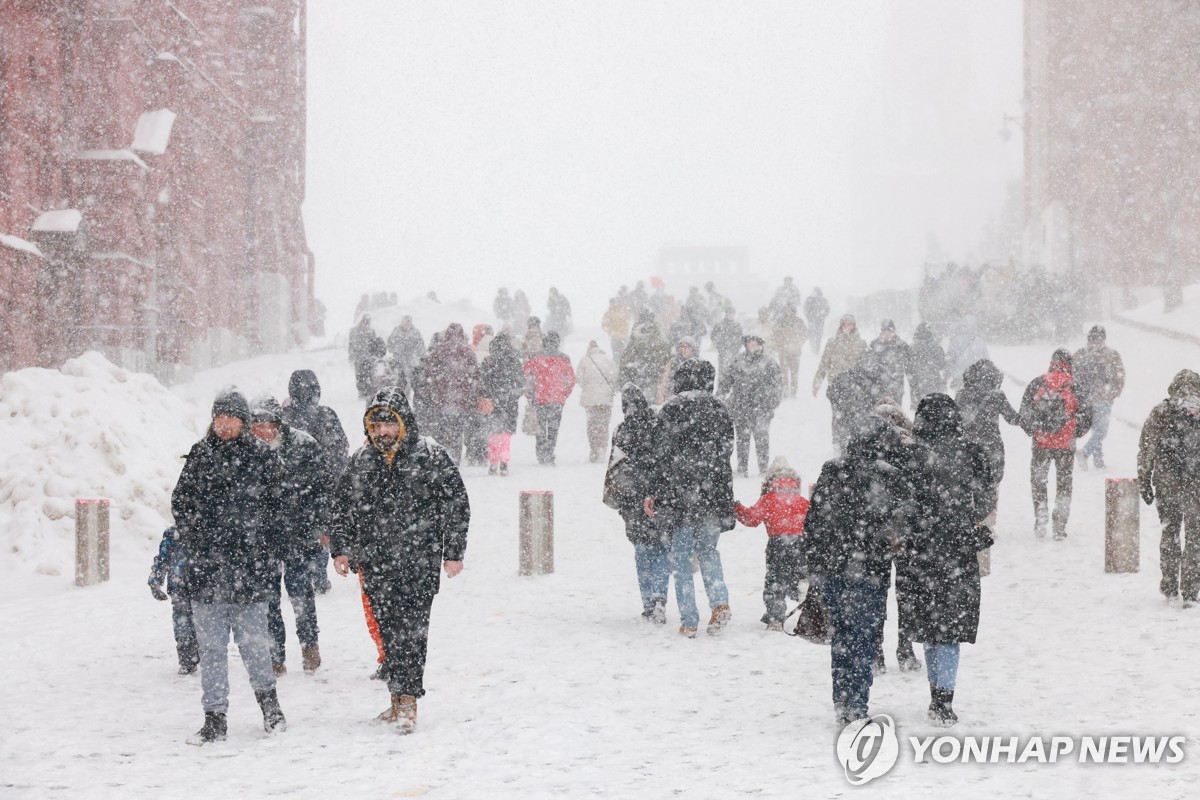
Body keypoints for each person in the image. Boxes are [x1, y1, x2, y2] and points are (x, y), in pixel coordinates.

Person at [330, 388, 470, 733]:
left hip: (418, 562)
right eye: (376, 425)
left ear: (402, 423)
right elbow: (342, 508)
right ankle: (397, 699)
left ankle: (408, 700)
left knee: (412, 632)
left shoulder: (431, 456)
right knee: (389, 634)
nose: (383, 432)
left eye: (389, 424)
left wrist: (453, 552)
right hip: (376, 563)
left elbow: (456, 505)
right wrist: (342, 549)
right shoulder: (361, 460)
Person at [171, 390, 286, 744]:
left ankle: (271, 709)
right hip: (206, 574)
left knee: (254, 646)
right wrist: (200, 540)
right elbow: (181, 504)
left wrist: (260, 547)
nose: (224, 424)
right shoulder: (200, 456)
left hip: (250, 574)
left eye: (232, 418)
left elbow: (278, 512)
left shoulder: (263, 460)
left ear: (244, 422)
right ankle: (214, 717)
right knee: (212, 650)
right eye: (219, 417)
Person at [804, 415, 916, 724]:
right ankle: (857, 701)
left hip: (834, 567)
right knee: (864, 637)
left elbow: (814, 521)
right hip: (871, 569)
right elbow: (900, 525)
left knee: (842, 634)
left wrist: (813, 562)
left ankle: (842, 698)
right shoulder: (890, 477)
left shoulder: (832, 469)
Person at [903, 394, 993, 726]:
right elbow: (984, 502)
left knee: (930, 627)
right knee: (950, 629)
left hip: (920, 554)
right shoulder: (972, 453)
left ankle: (935, 693)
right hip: (958, 551)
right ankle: (944, 697)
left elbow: (899, 506)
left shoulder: (910, 457)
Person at [645, 360, 735, 637]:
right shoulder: (720, 408)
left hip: (680, 494)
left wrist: (654, 491)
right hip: (712, 492)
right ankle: (719, 602)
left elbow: (660, 455)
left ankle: (689, 619)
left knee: (681, 557)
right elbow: (726, 454)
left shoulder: (672, 408)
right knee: (708, 551)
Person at [251, 397, 332, 676]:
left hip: (299, 534)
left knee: (301, 596)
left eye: (267, 424)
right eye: (256, 424)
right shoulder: (246, 452)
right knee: (268, 601)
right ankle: (275, 656)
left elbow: (322, 488)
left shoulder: (304, 445)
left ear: (278, 423)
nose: (262, 430)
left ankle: (310, 647)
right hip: (263, 540)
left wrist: (322, 526)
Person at [604, 384, 669, 623]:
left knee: (642, 552)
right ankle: (660, 595)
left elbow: (615, 470)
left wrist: (620, 499)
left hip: (632, 500)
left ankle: (648, 602)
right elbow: (665, 462)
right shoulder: (657, 425)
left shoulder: (622, 431)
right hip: (658, 498)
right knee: (661, 548)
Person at [283, 369, 350, 595]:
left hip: (293, 486)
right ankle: (319, 574)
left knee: (297, 529)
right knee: (321, 527)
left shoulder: (285, 417)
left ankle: (299, 572)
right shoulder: (327, 415)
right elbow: (340, 448)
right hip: (324, 482)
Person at [1138, 370, 1200, 605]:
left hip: (1167, 482)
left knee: (1170, 533)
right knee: (1196, 537)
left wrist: (1144, 479)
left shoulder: (1163, 410)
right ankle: (1191, 590)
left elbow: (1146, 448)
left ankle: (1170, 585)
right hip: (1197, 483)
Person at [1018, 349, 1093, 539]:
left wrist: (1034, 431)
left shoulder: (1038, 382)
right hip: (1065, 444)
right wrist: (1074, 432)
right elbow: (1087, 414)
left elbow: (1024, 412)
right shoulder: (1075, 385)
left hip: (1041, 443)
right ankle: (1059, 524)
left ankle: (1041, 515)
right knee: (1064, 484)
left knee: (1038, 481)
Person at [734, 456, 809, 631]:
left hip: (778, 544)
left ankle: (775, 617)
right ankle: (802, 594)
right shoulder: (802, 501)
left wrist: (736, 508)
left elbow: (751, 519)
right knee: (798, 575)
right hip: (801, 543)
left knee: (775, 580)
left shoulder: (769, 498)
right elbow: (816, 522)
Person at [955, 360, 1021, 525]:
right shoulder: (996, 395)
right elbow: (1013, 419)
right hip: (992, 448)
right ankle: (988, 523)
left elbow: (955, 421)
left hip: (967, 449)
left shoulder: (961, 394)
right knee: (991, 486)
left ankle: (970, 520)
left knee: (969, 485)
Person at [724, 335, 783, 477]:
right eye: (749, 343)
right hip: (741, 405)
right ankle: (742, 468)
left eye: (755, 343)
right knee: (742, 438)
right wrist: (721, 395)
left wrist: (774, 399)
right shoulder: (738, 360)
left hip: (762, 406)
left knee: (761, 437)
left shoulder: (769, 362)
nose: (751, 345)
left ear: (760, 344)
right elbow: (727, 379)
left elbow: (777, 382)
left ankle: (763, 468)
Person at [423, 323, 481, 465]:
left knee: (440, 432)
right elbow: (475, 377)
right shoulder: (468, 352)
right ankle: (454, 461)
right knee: (456, 432)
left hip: (441, 399)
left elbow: (429, 373)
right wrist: (471, 395)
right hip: (461, 401)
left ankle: (440, 460)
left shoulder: (438, 351)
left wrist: (433, 389)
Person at [1073, 325, 1126, 470]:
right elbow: (1119, 376)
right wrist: (1113, 393)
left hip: (1083, 399)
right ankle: (1085, 452)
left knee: (1095, 430)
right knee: (1100, 431)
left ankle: (1098, 461)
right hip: (1103, 398)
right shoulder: (1111, 355)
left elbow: (1072, 375)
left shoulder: (1080, 354)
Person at [148, 526, 198, 675]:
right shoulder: (173, 533)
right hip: (181, 587)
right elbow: (163, 558)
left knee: (202, 625)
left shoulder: (208, 527)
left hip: (203, 588)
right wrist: (155, 580)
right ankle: (187, 659)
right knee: (183, 625)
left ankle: (200, 656)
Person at [524, 331, 576, 465]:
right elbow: (570, 380)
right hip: (557, 400)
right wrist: (564, 394)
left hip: (539, 398)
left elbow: (528, 377)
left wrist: (530, 394)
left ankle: (541, 454)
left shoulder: (535, 358)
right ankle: (549, 454)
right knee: (553, 429)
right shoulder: (564, 358)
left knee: (541, 427)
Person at [479, 332, 525, 476]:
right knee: (505, 434)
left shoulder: (488, 361)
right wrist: (513, 396)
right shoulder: (515, 361)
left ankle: (493, 463)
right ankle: (504, 463)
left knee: (493, 433)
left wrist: (487, 397)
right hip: (509, 403)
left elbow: (483, 383)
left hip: (493, 403)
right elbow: (520, 383)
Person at [577, 340, 619, 463]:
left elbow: (579, 379)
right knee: (604, 425)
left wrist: (588, 386)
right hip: (606, 398)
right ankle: (603, 448)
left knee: (592, 425)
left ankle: (594, 449)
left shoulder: (585, 360)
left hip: (590, 398)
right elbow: (614, 376)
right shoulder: (608, 359)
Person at [619, 313, 671, 405]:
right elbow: (667, 355)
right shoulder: (659, 334)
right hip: (654, 377)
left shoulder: (636, 334)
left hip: (639, 378)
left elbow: (625, 360)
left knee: (639, 406)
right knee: (652, 405)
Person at [812, 314, 866, 398]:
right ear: (840, 326)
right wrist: (816, 384)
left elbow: (865, 368)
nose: (846, 327)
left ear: (854, 326)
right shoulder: (832, 343)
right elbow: (823, 365)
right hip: (835, 385)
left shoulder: (861, 344)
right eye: (844, 324)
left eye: (849, 324)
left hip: (853, 386)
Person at [869, 319, 911, 407]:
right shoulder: (874, 345)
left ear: (894, 331)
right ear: (881, 332)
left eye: (890, 330)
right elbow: (869, 366)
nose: (887, 333)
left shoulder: (902, 346)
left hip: (896, 390)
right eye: (885, 331)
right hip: (878, 389)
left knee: (895, 417)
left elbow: (910, 368)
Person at [769, 305, 807, 398]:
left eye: (790, 310)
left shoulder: (799, 322)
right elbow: (774, 334)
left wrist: (798, 343)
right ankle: (785, 391)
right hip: (783, 351)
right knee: (784, 373)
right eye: (786, 310)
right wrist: (779, 344)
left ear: (794, 311)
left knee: (794, 373)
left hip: (795, 351)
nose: (788, 312)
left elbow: (804, 334)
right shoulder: (780, 322)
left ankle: (794, 392)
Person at [945, 315, 989, 392]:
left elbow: (949, 361)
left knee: (960, 399)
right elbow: (987, 361)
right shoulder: (980, 342)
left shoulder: (956, 341)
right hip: (976, 379)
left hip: (960, 379)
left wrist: (953, 374)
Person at [907, 322, 946, 409]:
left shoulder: (912, 348)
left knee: (921, 416)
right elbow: (942, 364)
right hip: (934, 385)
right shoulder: (936, 347)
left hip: (917, 386)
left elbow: (908, 369)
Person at [657, 336, 699, 405]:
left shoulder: (697, 363)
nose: (683, 350)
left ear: (692, 349)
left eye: (686, 347)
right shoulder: (673, 362)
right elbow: (664, 382)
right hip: (673, 398)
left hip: (690, 400)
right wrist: (660, 402)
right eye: (681, 347)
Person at [710, 306, 744, 392]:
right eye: (728, 312)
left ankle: (734, 391)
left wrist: (735, 349)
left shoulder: (737, 325)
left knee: (734, 372)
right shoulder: (720, 324)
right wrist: (720, 347)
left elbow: (740, 339)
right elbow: (713, 336)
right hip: (723, 352)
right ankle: (721, 391)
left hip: (733, 353)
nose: (729, 314)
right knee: (722, 372)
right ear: (725, 313)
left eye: (731, 313)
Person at [387, 316, 426, 387]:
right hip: (399, 362)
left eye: (409, 323)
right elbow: (390, 346)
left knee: (412, 383)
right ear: (402, 323)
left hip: (412, 363)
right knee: (399, 384)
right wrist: (398, 348)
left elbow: (421, 348)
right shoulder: (396, 331)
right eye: (405, 323)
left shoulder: (415, 333)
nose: (407, 325)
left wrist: (418, 354)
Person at [602, 296, 632, 364]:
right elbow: (604, 325)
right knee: (616, 354)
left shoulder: (623, 311)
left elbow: (627, 322)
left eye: (614, 303)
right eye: (611, 303)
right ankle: (618, 368)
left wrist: (624, 332)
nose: (613, 304)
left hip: (622, 337)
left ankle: (622, 367)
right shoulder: (608, 313)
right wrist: (611, 332)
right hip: (614, 338)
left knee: (622, 353)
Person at [804, 287, 830, 355]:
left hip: (819, 321)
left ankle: (817, 349)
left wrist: (823, 316)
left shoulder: (823, 300)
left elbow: (827, 309)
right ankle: (813, 347)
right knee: (812, 334)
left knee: (818, 335)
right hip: (812, 320)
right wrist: (809, 317)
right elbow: (805, 309)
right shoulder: (809, 299)